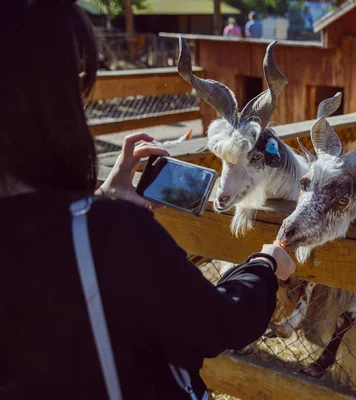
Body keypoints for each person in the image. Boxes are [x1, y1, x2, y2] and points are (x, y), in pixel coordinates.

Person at [0, 1, 296, 399]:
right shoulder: (108, 236)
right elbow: (218, 323)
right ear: (47, 99)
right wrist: (266, 264)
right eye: (75, 83)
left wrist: (98, 199)